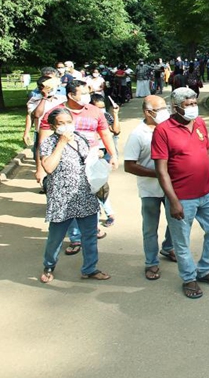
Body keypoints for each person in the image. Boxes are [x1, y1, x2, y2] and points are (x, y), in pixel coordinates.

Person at [152, 88, 209, 299]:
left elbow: (207, 152)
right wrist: (173, 201)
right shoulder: (163, 131)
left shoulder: (200, 123)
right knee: (181, 240)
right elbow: (161, 169)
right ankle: (189, 278)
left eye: (195, 103)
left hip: (207, 192)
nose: (194, 108)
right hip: (182, 197)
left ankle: (204, 270)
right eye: (189, 105)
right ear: (175, 108)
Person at [38, 108, 110, 283]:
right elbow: (48, 167)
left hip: (85, 195)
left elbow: (91, 159)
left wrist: (99, 155)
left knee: (90, 236)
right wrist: (61, 143)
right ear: (53, 126)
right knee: (56, 237)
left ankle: (90, 268)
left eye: (68, 122)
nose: (65, 126)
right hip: (61, 198)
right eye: (60, 123)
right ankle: (49, 266)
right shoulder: (49, 143)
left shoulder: (81, 138)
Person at [123, 95, 176, 280]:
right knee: (150, 228)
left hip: (173, 188)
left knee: (176, 221)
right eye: (160, 109)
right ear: (148, 112)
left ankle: (169, 247)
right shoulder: (138, 134)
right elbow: (129, 165)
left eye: (165, 107)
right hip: (150, 190)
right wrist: (159, 174)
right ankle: (151, 263)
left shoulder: (172, 128)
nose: (165, 111)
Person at [90, 94, 119, 227]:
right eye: (98, 108)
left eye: (103, 108)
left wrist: (116, 114)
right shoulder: (87, 119)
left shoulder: (106, 116)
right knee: (93, 186)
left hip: (104, 153)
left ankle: (108, 213)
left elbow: (115, 131)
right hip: (92, 154)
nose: (101, 111)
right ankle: (106, 214)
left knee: (101, 184)